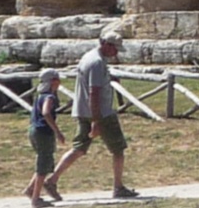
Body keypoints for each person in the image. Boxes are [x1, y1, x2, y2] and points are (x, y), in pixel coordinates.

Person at [52, 30, 136, 199]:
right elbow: (94, 93)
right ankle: (118, 187)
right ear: (106, 44)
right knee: (118, 149)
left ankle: (51, 180)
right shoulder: (97, 63)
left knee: (79, 148)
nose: (116, 53)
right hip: (101, 113)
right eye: (115, 49)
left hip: (83, 110)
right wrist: (96, 121)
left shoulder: (89, 57)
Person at [26, 66, 65, 208]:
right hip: (43, 132)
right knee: (43, 165)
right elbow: (46, 113)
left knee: (44, 161)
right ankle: (36, 199)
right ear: (53, 81)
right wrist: (57, 131)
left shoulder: (40, 96)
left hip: (34, 130)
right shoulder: (49, 97)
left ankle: (31, 189)